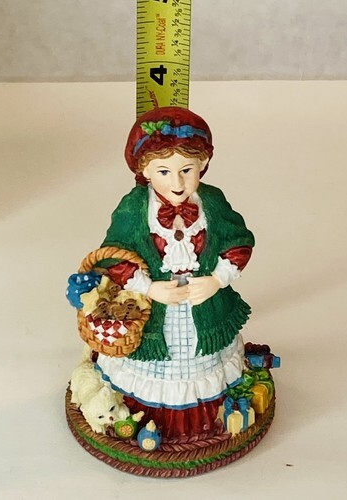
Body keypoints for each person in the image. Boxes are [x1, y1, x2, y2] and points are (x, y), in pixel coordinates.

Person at [95, 107, 255, 438]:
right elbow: (113, 256)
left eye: (186, 170)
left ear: (203, 164)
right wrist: (149, 288)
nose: (177, 182)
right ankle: (145, 418)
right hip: (155, 307)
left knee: (201, 359)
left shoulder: (212, 202)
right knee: (157, 360)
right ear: (145, 170)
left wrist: (216, 280)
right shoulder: (134, 208)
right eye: (164, 171)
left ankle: (209, 418)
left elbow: (239, 242)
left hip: (203, 303)